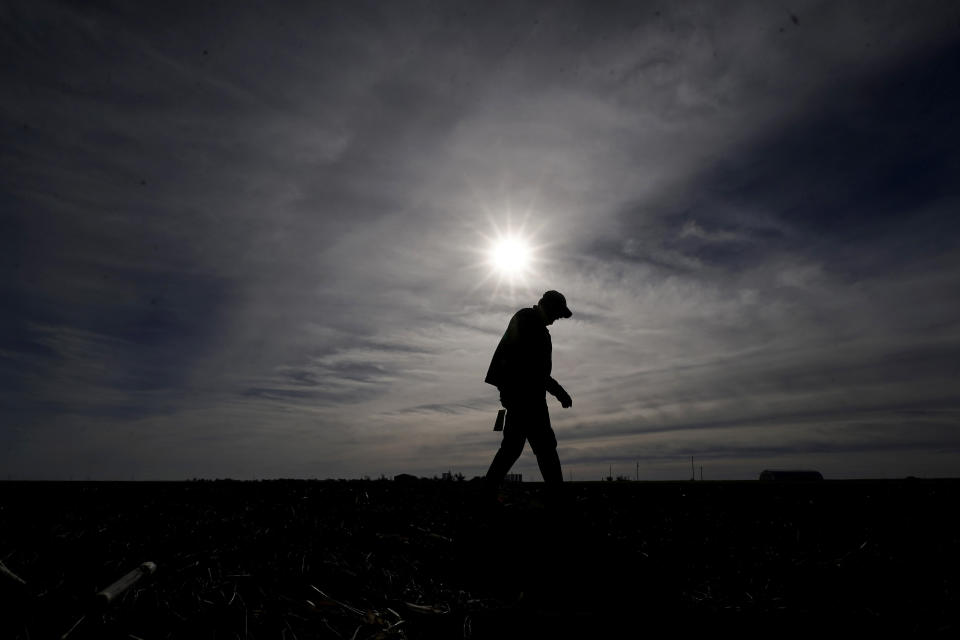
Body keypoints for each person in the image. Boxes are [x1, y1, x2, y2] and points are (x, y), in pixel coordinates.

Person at [483, 290, 573, 503]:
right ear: (545, 306)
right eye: (557, 313)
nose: (557, 318)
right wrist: (559, 392)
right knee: (544, 448)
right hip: (525, 397)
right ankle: (557, 499)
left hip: (522, 395)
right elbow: (531, 368)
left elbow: (535, 369)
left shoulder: (533, 324)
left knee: (515, 448)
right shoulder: (528, 321)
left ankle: (486, 493)